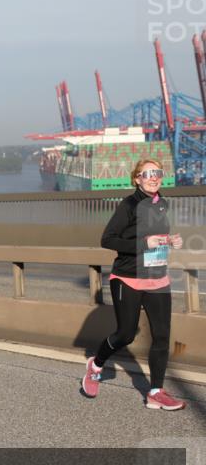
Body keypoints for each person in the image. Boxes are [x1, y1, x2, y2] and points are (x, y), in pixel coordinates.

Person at [82, 159, 185, 410]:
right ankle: (95, 366)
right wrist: (144, 244)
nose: (153, 177)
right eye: (147, 174)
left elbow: (153, 238)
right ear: (137, 179)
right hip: (128, 278)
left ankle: (155, 392)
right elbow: (107, 239)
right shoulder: (128, 205)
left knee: (162, 336)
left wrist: (169, 241)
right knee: (126, 334)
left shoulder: (162, 204)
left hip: (157, 277)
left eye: (157, 173)